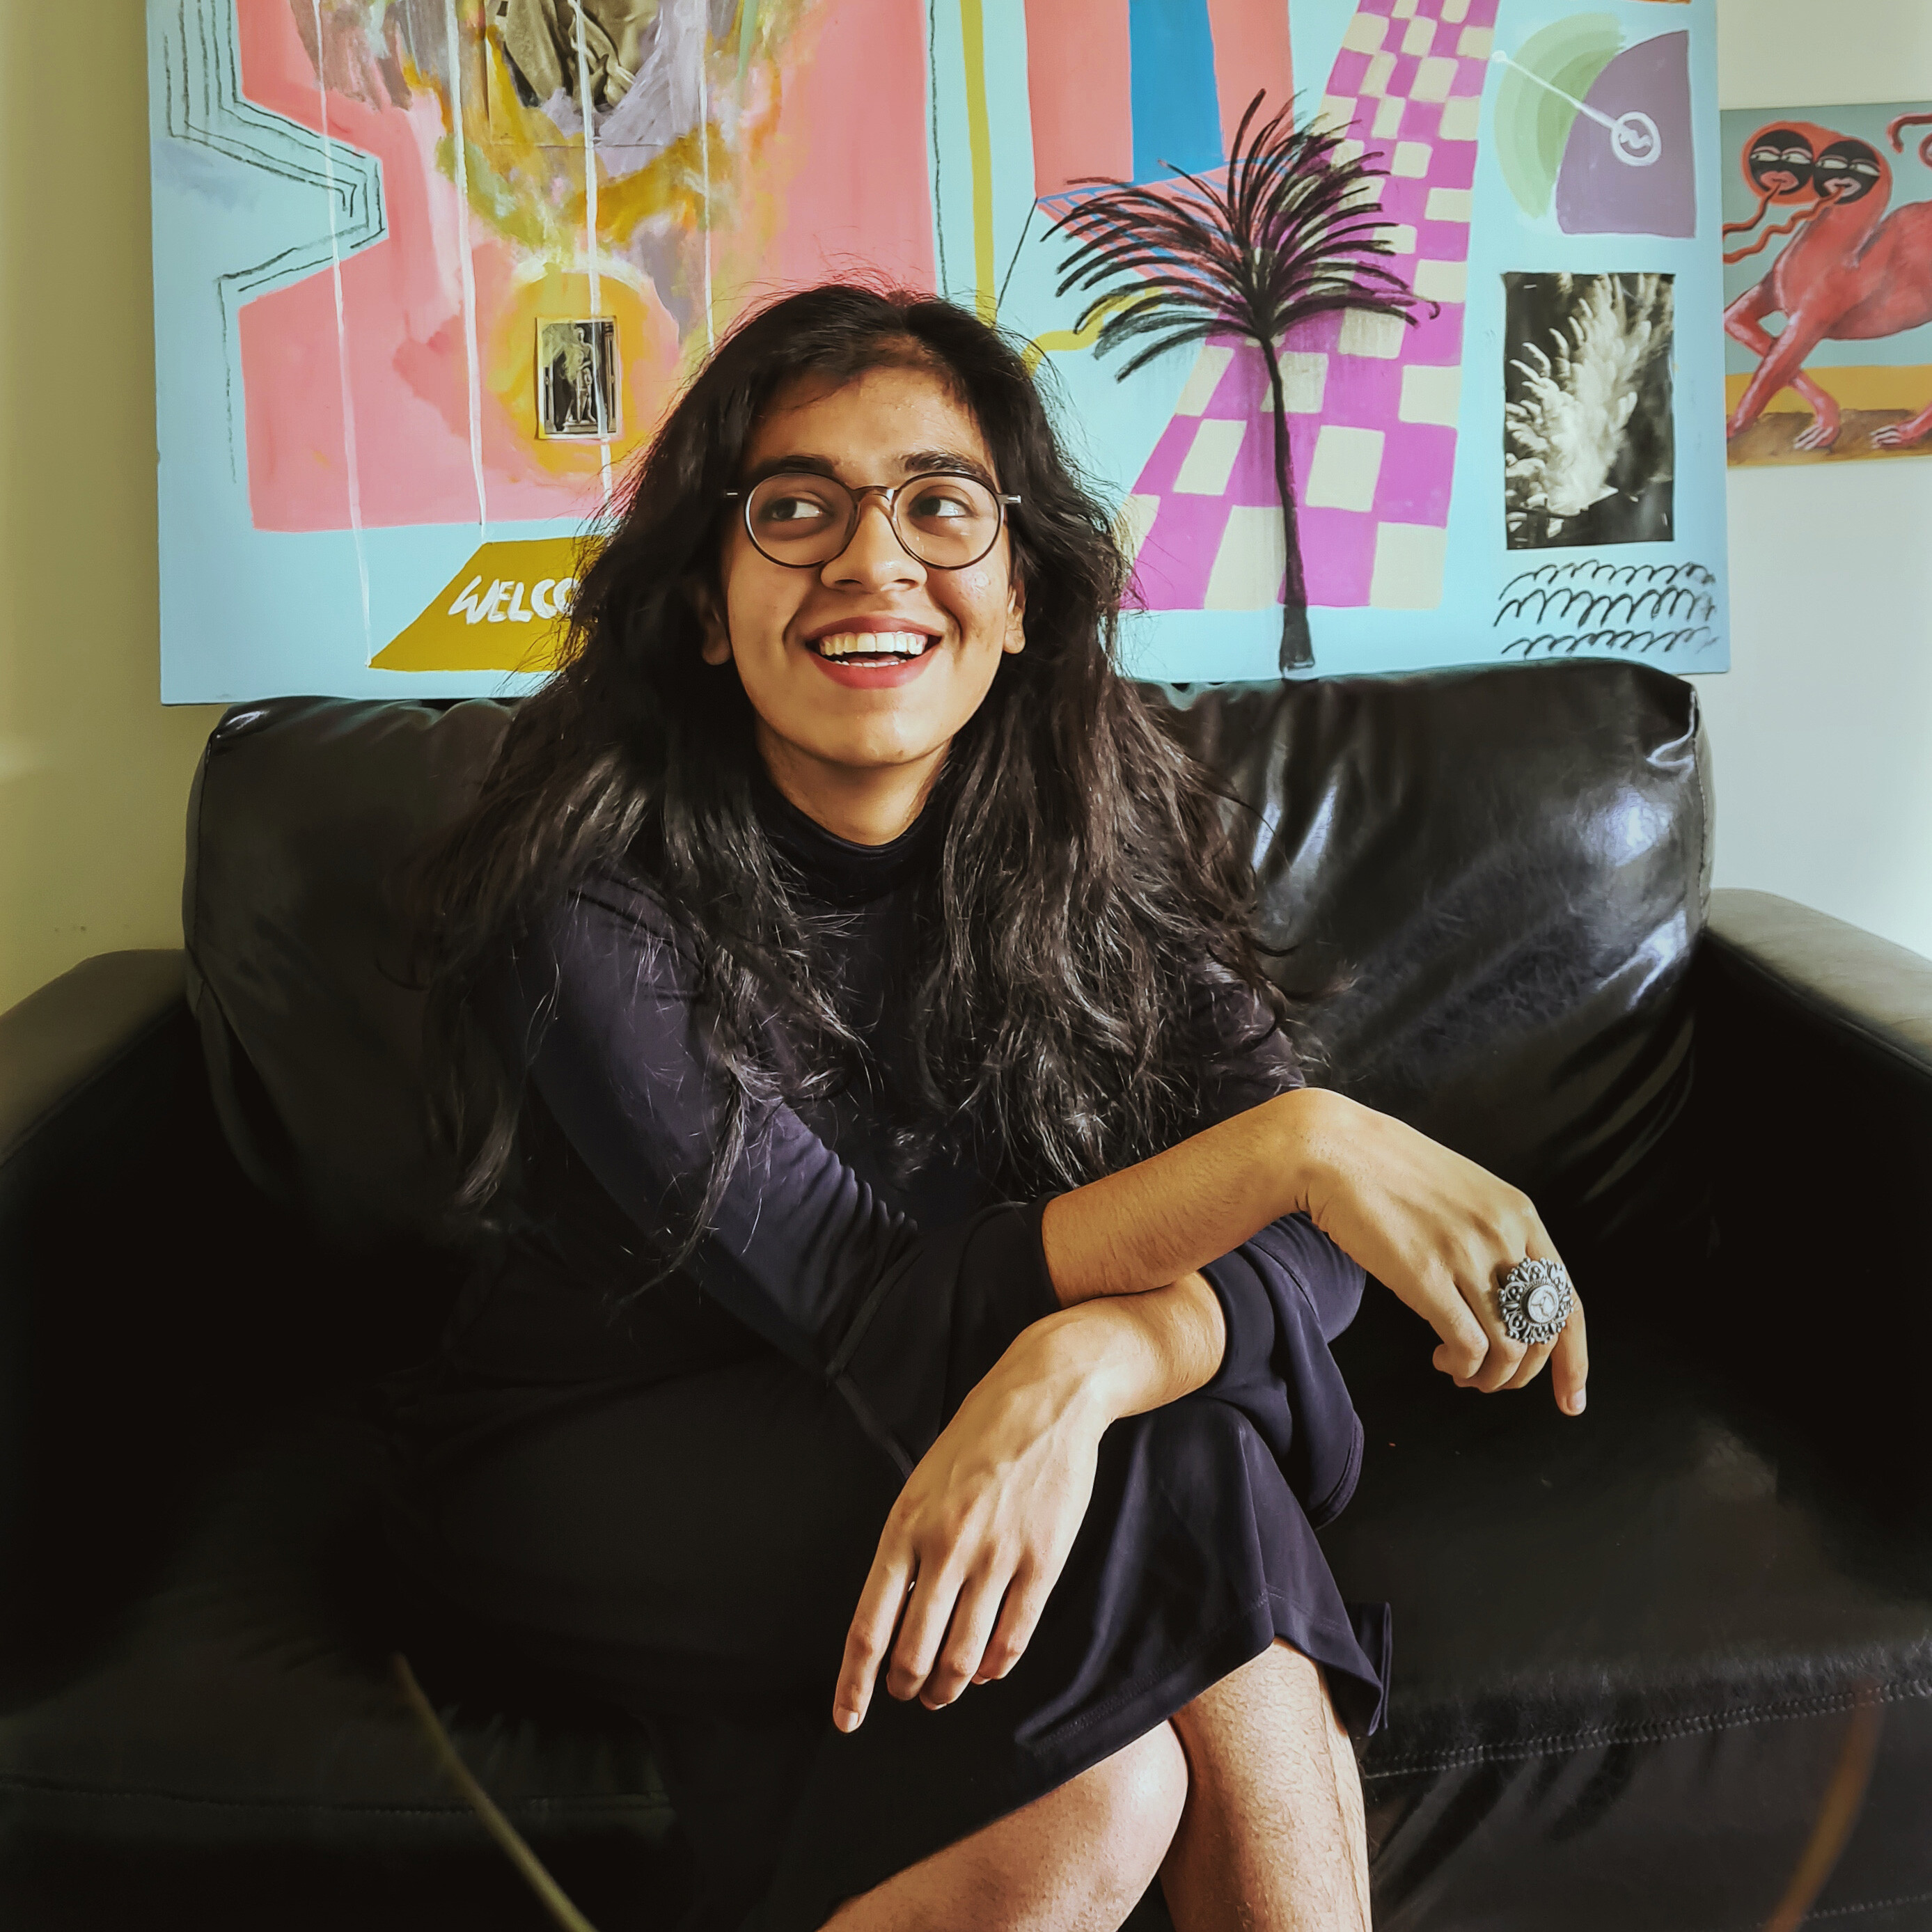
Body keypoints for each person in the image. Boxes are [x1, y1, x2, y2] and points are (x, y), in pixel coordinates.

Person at [394, 282, 1588, 1932]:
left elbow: (1315, 1259)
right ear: (704, 605)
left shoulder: (1098, 834)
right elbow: (861, 1290)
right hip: (621, 1461)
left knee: (1107, 1779)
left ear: (1017, 593)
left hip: (941, 1413)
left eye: (939, 506)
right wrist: (1299, 1146)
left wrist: (1096, 1356)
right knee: (1184, 1467)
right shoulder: (589, 890)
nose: (871, 562)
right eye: (794, 508)